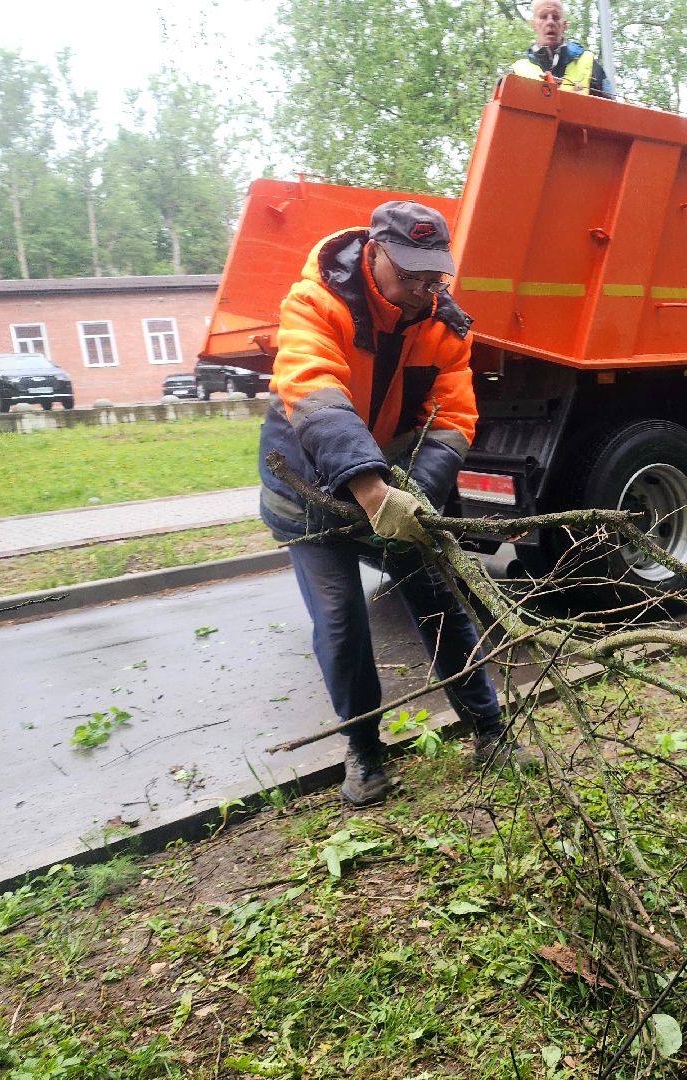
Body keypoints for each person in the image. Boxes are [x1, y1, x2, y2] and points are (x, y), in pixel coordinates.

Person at [258, 200, 536, 806]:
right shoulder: (314, 304)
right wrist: (367, 483)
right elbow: (314, 391)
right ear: (375, 253)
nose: (420, 289)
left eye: (432, 275)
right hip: (309, 491)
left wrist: (414, 493)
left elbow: (453, 419)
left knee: (438, 597)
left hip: (388, 487)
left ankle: (489, 729)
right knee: (341, 622)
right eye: (408, 275)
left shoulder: (445, 325)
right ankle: (363, 754)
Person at [511, 0, 614, 98]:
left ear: (565, 25)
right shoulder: (518, 72)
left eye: (555, 17)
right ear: (533, 25)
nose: (550, 22)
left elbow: (613, 111)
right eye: (543, 17)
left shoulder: (589, 64)